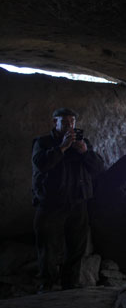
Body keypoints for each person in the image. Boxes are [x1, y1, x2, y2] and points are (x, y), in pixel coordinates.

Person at [32, 108, 105, 293]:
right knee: (48, 246)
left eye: (72, 122)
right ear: (54, 123)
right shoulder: (43, 142)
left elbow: (98, 169)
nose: (69, 126)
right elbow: (41, 164)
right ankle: (47, 284)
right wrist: (62, 147)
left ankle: (70, 284)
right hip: (51, 204)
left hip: (78, 202)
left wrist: (85, 152)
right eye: (64, 122)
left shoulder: (82, 143)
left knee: (76, 246)